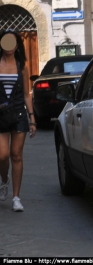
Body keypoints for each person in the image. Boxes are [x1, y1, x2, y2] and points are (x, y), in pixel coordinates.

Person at [0, 29, 37, 212]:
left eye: (12, 42)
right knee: (2, 155)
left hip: (19, 115)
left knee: (16, 155)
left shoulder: (22, 65)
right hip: (0, 116)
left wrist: (32, 118)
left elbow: (26, 94)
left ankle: (16, 197)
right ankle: (4, 180)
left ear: (16, 45)